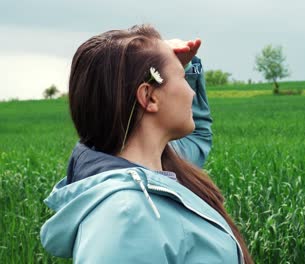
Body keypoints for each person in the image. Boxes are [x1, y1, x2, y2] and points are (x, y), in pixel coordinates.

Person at [40, 24, 253, 264]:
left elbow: (198, 136)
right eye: (182, 78)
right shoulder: (126, 216)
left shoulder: (159, 172)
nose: (191, 93)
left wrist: (186, 66)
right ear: (149, 96)